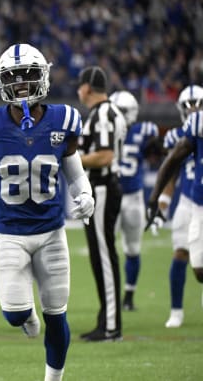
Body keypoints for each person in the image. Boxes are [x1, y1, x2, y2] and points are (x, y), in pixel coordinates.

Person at [0, 43, 94, 381]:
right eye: (14, 77)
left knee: (57, 313)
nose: (21, 83)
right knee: (14, 312)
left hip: (51, 232)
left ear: (43, 78)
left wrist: (85, 193)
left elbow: (74, 171)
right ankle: (26, 317)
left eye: (28, 75)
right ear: (1, 81)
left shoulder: (63, 119)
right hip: (9, 233)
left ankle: (53, 378)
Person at [76, 65, 127, 341]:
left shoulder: (104, 113)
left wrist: (72, 160)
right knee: (100, 255)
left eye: (79, 85)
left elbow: (105, 156)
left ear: (87, 88)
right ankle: (106, 318)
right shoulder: (104, 112)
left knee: (104, 256)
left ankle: (111, 325)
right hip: (102, 187)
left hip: (104, 187)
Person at [148, 84, 203, 328]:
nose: (193, 109)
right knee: (180, 252)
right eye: (188, 105)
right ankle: (176, 310)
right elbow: (172, 173)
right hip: (190, 199)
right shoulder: (176, 136)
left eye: (197, 104)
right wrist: (162, 205)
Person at [109, 90, 160, 311]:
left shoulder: (145, 131)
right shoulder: (106, 131)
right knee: (107, 249)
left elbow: (156, 152)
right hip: (112, 197)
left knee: (132, 248)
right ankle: (111, 295)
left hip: (133, 197)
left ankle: (128, 296)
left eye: (121, 111)